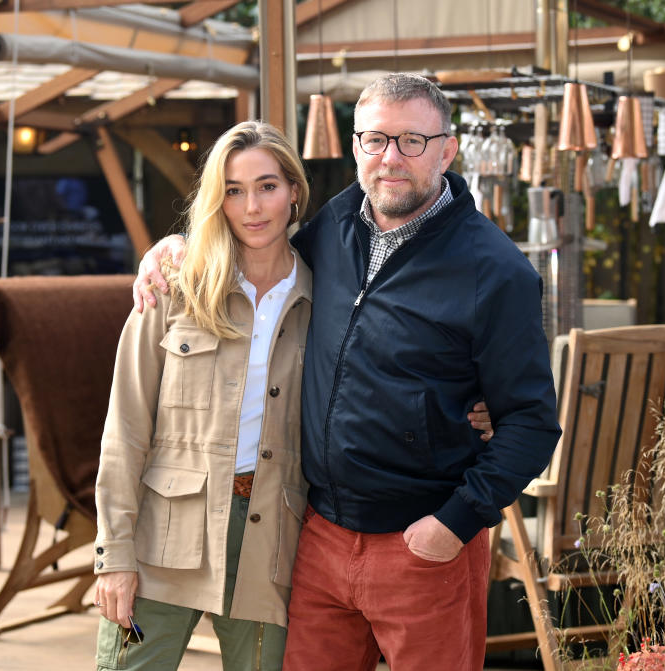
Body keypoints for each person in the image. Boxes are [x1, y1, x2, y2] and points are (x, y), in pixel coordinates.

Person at [134, 73, 561, 671]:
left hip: (424, 545)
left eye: (412, 141)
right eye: (375, 139)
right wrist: (173, 246)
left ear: (446, 149)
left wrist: (454, 522)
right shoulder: (332, 230)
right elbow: (251, 244)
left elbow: (533, 424)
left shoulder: (495, 271)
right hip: (320, 537)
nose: (391, 158)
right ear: (355, 145)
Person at [92, 120, 313, 671]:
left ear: (293, 192)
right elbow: (125, 428)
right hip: (164, 536)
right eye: (233, 191)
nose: (252, 207)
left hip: (272, 538)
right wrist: (114, 556)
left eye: (267, 186)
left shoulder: (324, 297)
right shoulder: (174, 287)